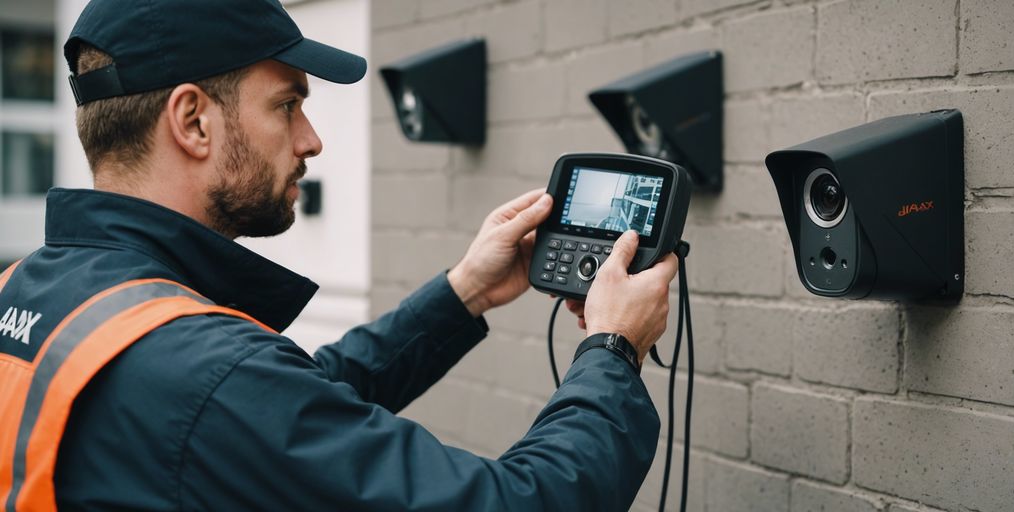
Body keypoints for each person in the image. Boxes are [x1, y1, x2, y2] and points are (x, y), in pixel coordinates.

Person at [0, 0, 678, 510]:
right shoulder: (201, 372)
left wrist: (464, 292)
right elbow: (510, 501)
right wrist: (614, 351)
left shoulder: (31, 292)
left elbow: (285, 406)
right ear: (193, 121)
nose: (312, 139)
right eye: (288, 104)